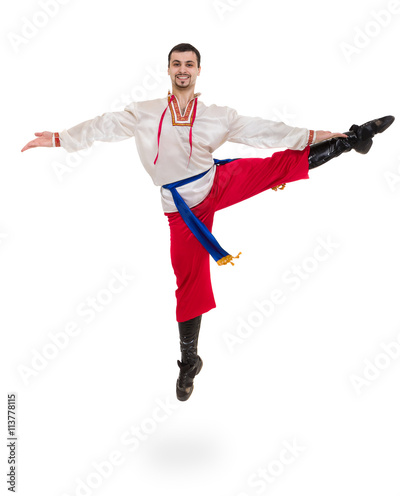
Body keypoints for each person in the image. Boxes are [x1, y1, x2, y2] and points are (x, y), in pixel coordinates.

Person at [21, 43, 394, 402]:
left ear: (198, 71)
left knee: (275, 166)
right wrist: (59, 138)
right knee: (189, 280)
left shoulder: (218, 115)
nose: (183, 71)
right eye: (176, 64)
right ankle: (189, 364)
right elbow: (102, 126)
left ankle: (353, 138)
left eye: (189, 65)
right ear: (168, 69)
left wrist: (319, 134)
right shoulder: (144, 112)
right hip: (182, 207)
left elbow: (264, 130)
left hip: (216, 183)